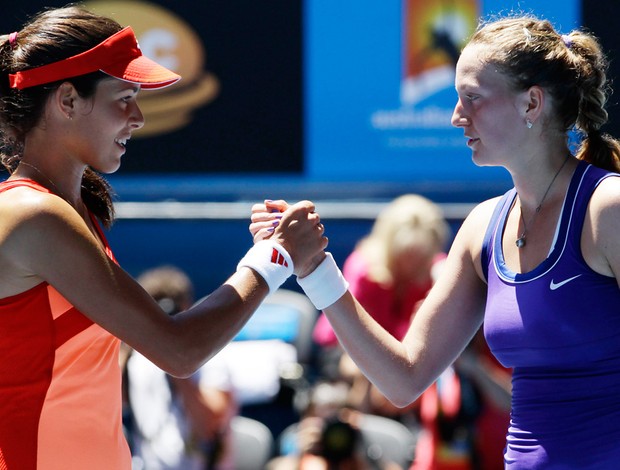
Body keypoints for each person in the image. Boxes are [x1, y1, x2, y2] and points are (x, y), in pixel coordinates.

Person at [251, 14, 620, 469]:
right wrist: (314, 268)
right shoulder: (483, 227)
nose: (456, 115)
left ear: (531, 104)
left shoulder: (608, 209)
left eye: (473, 98)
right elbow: (404, 378)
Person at [0, 6, 326, 470]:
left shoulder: (70, 212)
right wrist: (275, 258)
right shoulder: (33, 214)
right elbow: (179, 350)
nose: (138, 117)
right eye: (124, 97)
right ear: (67, 100)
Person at [123, 265, 238, 470]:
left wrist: (177, 362)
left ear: (186, 306)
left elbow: (210, 425)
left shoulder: (211, 355)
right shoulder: (134, 359)